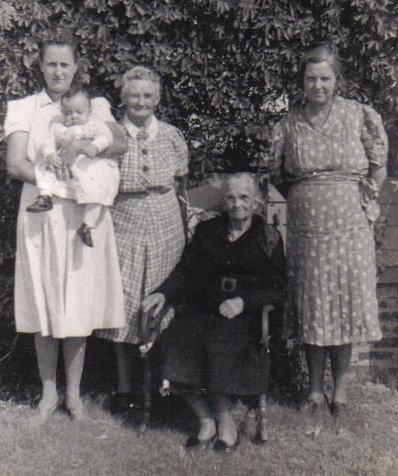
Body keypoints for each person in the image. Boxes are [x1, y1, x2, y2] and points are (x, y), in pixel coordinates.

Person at [4, 32, 126, 422]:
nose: (58, 71)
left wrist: (83, 154)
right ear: (40, 66)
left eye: (65, 64)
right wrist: (53, 182)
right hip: (43, 208)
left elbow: (120, 143)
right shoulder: (24, 107)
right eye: (51, 63)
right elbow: (15, 163)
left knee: (76, 297)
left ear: (75, 67)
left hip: (83, 211)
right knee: (42, 295)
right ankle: (48, 392)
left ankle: (74, 394)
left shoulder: (95, 104)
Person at [269, 44, 388, 419]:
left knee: (345, 303)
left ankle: (341, 392)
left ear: (337, 80)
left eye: (325, 78)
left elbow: (378, 165)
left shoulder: (358, 116)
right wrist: (309, 196)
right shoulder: (288, 125)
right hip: (307, 228)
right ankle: (315, 391)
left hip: (350, 225)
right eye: (311, 78)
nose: (318, 85)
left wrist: (368, 199)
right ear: (302, 82)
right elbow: (278, 176)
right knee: (313, 303)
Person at [142, 172, 285, 452]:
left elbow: (278, 289)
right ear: (223, 202)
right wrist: (162, 292)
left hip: (244, 317)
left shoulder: (268, 237)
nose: (237, 204)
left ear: (256, 202)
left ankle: (225, 422)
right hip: (203, 308)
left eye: (244, 197)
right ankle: (206, 420)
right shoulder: (208, 231)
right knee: (172, 341)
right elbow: (185, 270)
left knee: (218, 345)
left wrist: (243, 301)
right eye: (230, 198)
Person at [96, 66, 188, 413]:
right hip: (123, 224)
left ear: (158, 98)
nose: (141, 101)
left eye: (148, 95)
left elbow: (180, 184)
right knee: (125, 302)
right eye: (134, 94)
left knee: (165, 304)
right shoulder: (110, 134)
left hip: (166, 226)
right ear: (123, 98)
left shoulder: (172, 135)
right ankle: (125, 388)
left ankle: (164, 384)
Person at [26, 87, 120, 247]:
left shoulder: (93, 124)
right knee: (45, 169)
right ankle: (45, 197)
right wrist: (50, 154)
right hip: (65, 165)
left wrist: (96, 146)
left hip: (87, 166)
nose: (73, 116)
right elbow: (47, 142)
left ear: (89, 111)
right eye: (68, 113)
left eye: (78, 112)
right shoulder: (58, 127)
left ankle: (87, 226)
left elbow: (106, 136)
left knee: (97, 192)